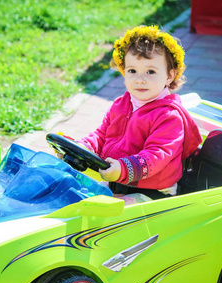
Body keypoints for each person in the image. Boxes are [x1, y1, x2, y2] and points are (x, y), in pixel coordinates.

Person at [74, 25, 202, 201]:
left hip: (152, 193)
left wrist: (123, 168)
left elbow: (156, 155)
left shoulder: (169, 117)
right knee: (72, 193)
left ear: (169, 76)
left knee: (106, 218)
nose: (140, 79)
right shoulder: (121, 104)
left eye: (150, 71)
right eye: (132, 71)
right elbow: (101, 135)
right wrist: (82, 147)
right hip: (117, 182)